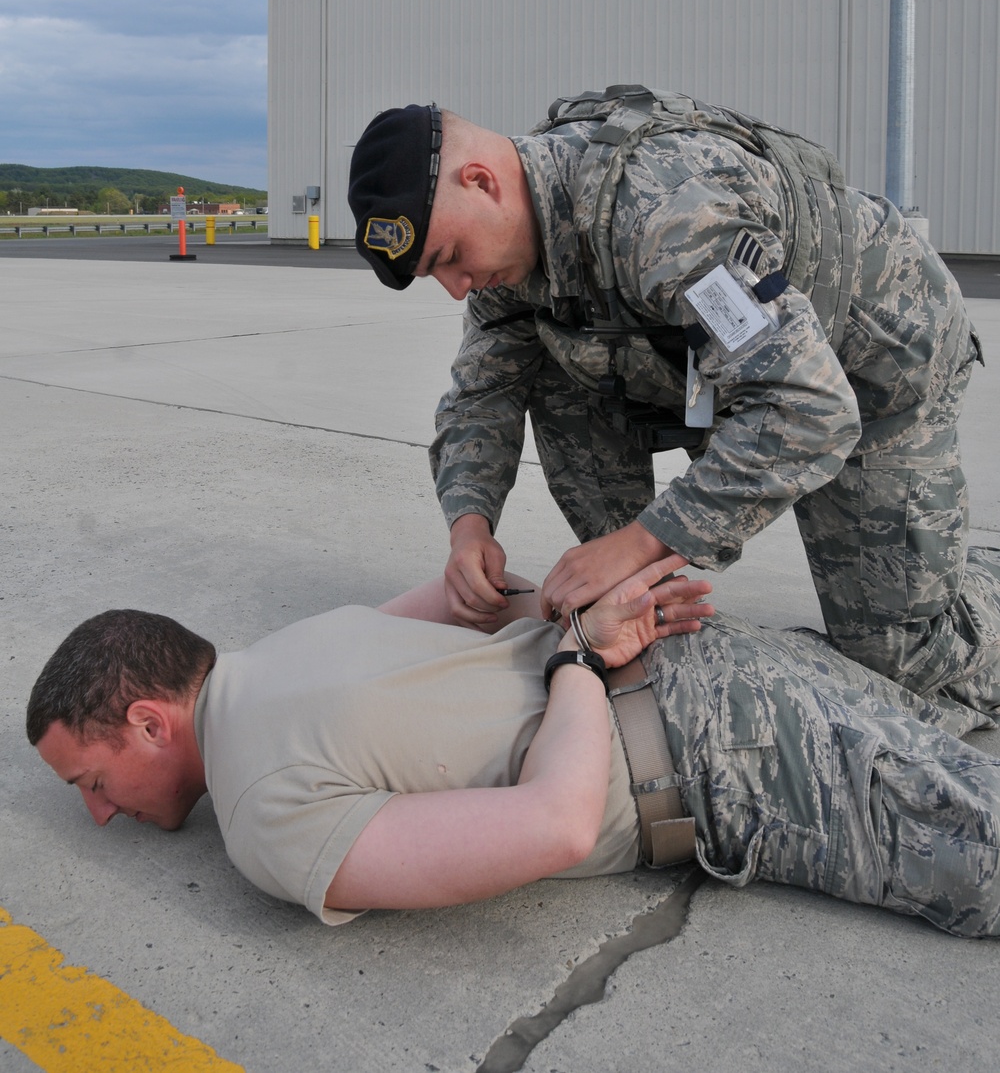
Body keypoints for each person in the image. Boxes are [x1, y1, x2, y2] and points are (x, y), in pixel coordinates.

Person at [347, 89, 1000, 716]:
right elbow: (482, 393)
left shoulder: (660, 211)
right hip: (742, 370)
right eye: (440, 274)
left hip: (877, 362)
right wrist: (469, 526)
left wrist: (641, 541)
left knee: (907, 661)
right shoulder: (511, 255)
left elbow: (806, 409)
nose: (459, 288)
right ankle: (639, 590)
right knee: (548, 362)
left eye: (451, 258)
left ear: (483, 181)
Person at [26, 566, 1000, 937]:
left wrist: (576, 656)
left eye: (93, 780)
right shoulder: (277, 651)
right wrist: (572, 615)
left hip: (734, 758)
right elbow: (467, 598)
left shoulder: (261, 817)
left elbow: (559, 824)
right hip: (707, 655)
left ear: (153, 721)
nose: (99, 811)